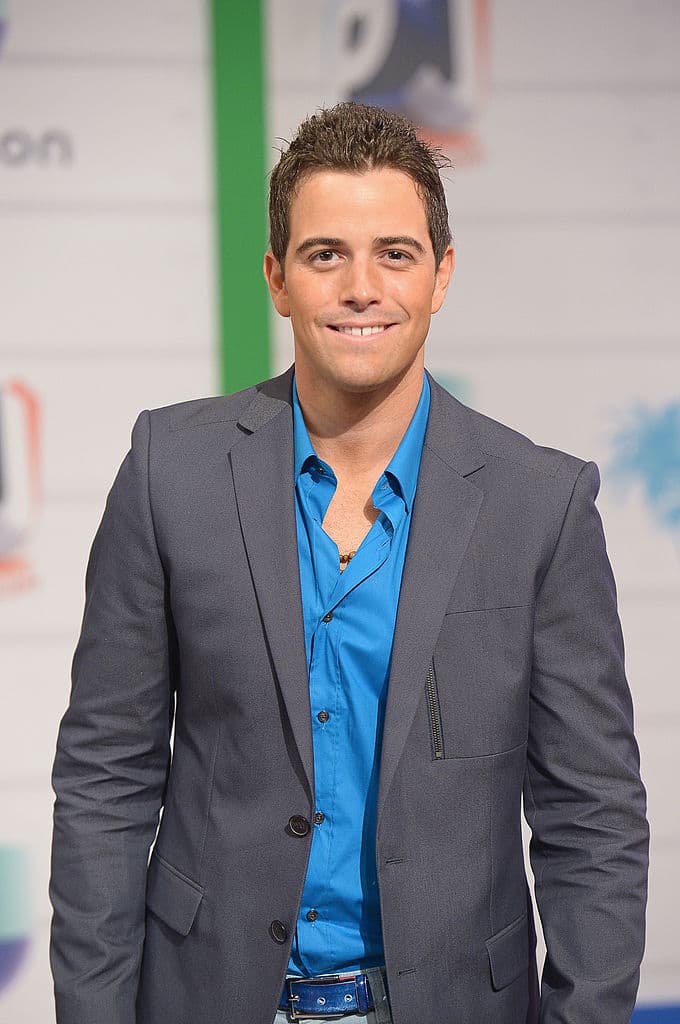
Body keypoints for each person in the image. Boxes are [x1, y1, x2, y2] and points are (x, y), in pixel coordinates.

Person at [49, 102, 649, 1024]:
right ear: (277, 279)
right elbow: (105, 780)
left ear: (442, 275)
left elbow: (593, 817)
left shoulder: (542, 504)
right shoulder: (171, 471)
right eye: (326, 254)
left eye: (395, 254)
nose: (361, 288)